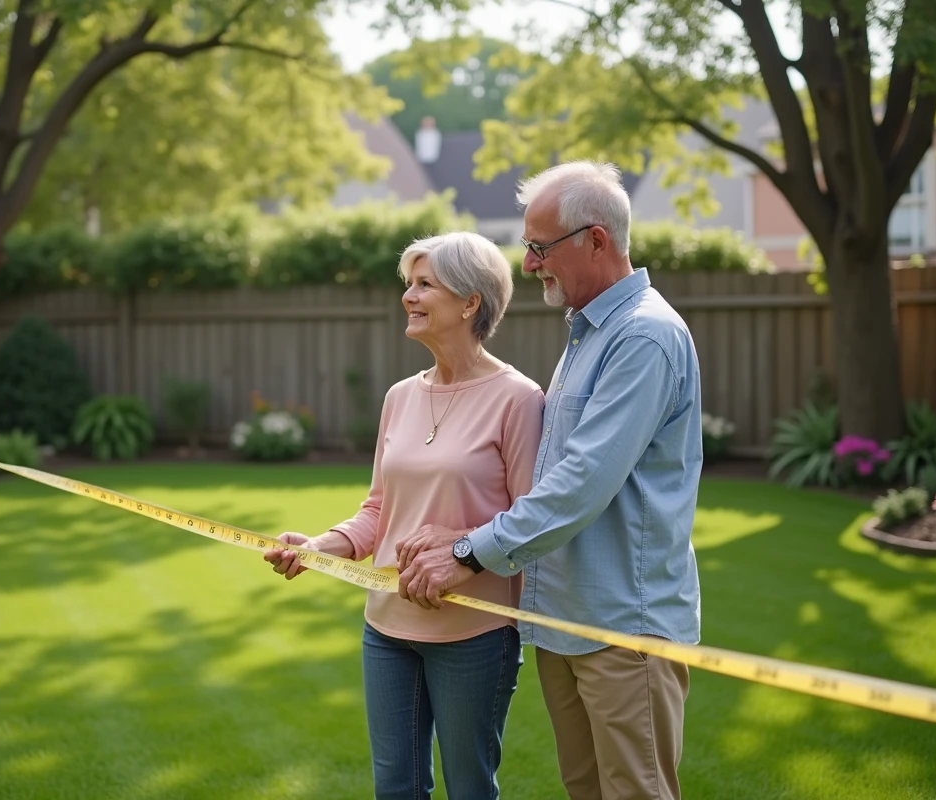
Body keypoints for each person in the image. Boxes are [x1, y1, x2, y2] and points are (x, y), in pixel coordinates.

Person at [396, 160, 703, 800]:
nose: (531, 263)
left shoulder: (642, 336)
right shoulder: (590, 332)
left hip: (625, 628)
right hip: (567, 621)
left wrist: (467, 551)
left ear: (596, 239)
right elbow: (550, 475)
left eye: (540, 247)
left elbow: (582, 483)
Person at [263, 231, 544, 800]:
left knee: (470, 790)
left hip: (474, 634)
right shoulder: (400, 396)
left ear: (470, 302)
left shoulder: (518, 399)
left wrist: (463, 545)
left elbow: (533, 522)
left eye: (424, 285)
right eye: (407, 284)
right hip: (386, 629)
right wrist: (322, 546)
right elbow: (379, 510)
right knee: (395, 789)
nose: (407, 297)